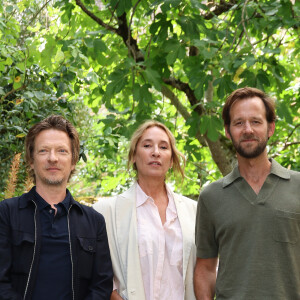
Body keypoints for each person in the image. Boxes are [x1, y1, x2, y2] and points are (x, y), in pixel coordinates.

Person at [194, 87, 300, 299]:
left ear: (270, 128)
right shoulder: (211, 197)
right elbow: (205, 269)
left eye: (256, 121)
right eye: (239, 123)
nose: (248, 129)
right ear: (227, 131)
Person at [0, 115, 113, 300]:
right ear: (31, 160)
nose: (53, 158)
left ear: (73, 160)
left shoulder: (94, 222)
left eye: (62, 151)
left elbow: (101, 286)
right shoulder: (6, 213)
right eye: (44, 151)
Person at [94, 120, 197, 300]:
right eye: (147, 145)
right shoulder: (105, 212)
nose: (155, 152)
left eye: (164, 147)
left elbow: (206, 269)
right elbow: (95, 272)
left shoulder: (194, 212)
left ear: (172, 160)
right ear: (133, 155)